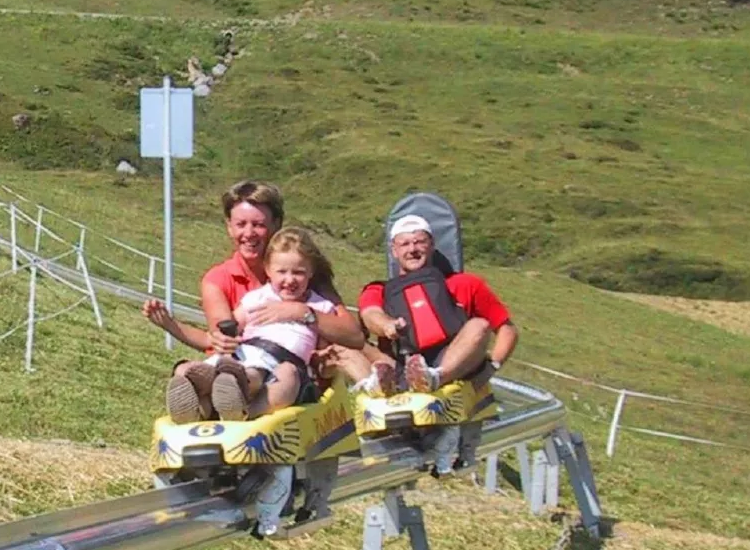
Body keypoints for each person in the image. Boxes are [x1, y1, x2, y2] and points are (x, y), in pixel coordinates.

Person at [144, 180, 363, 419]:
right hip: (238, 364)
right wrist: (173, 325)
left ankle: (230, 406)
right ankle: (199, 410)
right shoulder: (220, 280)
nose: (249, 234)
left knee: (277, 374)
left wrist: (300, 311)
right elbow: (221, 336)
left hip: (289, 375)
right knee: (199, 371)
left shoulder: (307, 278)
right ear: (229, 227)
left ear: (276, 224)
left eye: (258, 225)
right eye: (241, 224)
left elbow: (353, 336)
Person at [165, 227, 340, 421]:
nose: (289, 280)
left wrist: (326, 362)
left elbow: (322, 359)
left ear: (311, 272)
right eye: (282, 272)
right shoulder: (257, 297)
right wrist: (223, 339)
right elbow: (230, 329)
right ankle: (199, 405)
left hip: (283, 366)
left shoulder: (320, 307)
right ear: (268, 270)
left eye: (298, 273)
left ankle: (244, 410)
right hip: (244, 354)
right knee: (188, 370)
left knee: (281, 375)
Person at [357, 214, 518, 391]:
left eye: (420, 242)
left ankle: (435, 378)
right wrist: (387, 325)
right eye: (404, 244)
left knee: (479, 324)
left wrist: (491, 368)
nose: (413, 249)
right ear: (394, 251)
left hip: (452, 362)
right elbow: (370, 314)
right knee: (349, 341)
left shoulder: (466, 284)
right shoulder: (379, 290)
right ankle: (384, 384)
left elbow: (507, 329)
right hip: (401, 365)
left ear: (432, 245)